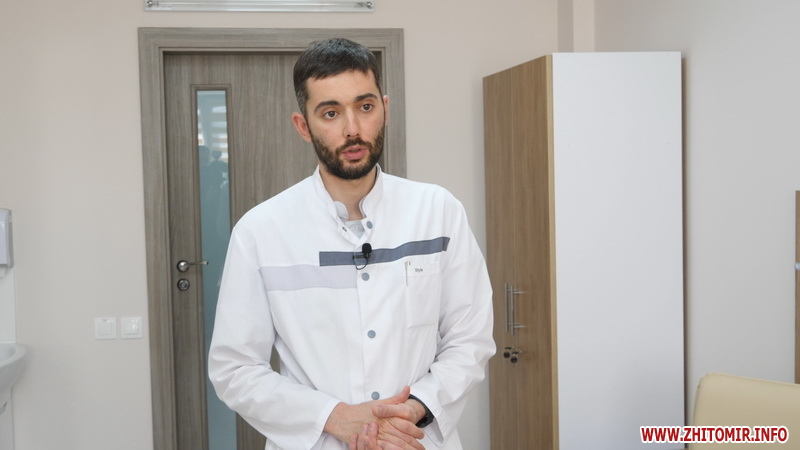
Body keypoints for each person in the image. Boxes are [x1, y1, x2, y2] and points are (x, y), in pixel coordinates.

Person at [208, 38, 495, 450]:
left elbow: (470, 339)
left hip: (413, 439)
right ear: (303, 126)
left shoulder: (437, 211)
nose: (353, 129)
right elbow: (235, 369)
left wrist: (413, 410)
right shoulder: (261, 230)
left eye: (365, 106)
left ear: (385, 109)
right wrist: (336, 417)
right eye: (330, 113)